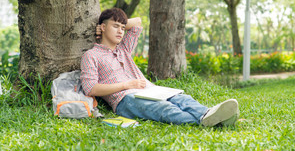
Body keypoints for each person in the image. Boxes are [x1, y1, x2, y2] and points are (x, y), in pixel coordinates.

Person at [80, 7, 239, 126]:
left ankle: (208, 114)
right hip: (125, 100)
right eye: (115, 26)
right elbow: (91, 88)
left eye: (122, 28)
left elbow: (137, 23)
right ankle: (217, 122)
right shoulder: (91, 55)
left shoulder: (124, 49)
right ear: (102, 27)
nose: (121, 31)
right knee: (165, 108)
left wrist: (119, 21)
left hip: (149, 90)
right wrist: (126, 85)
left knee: (182, 98)